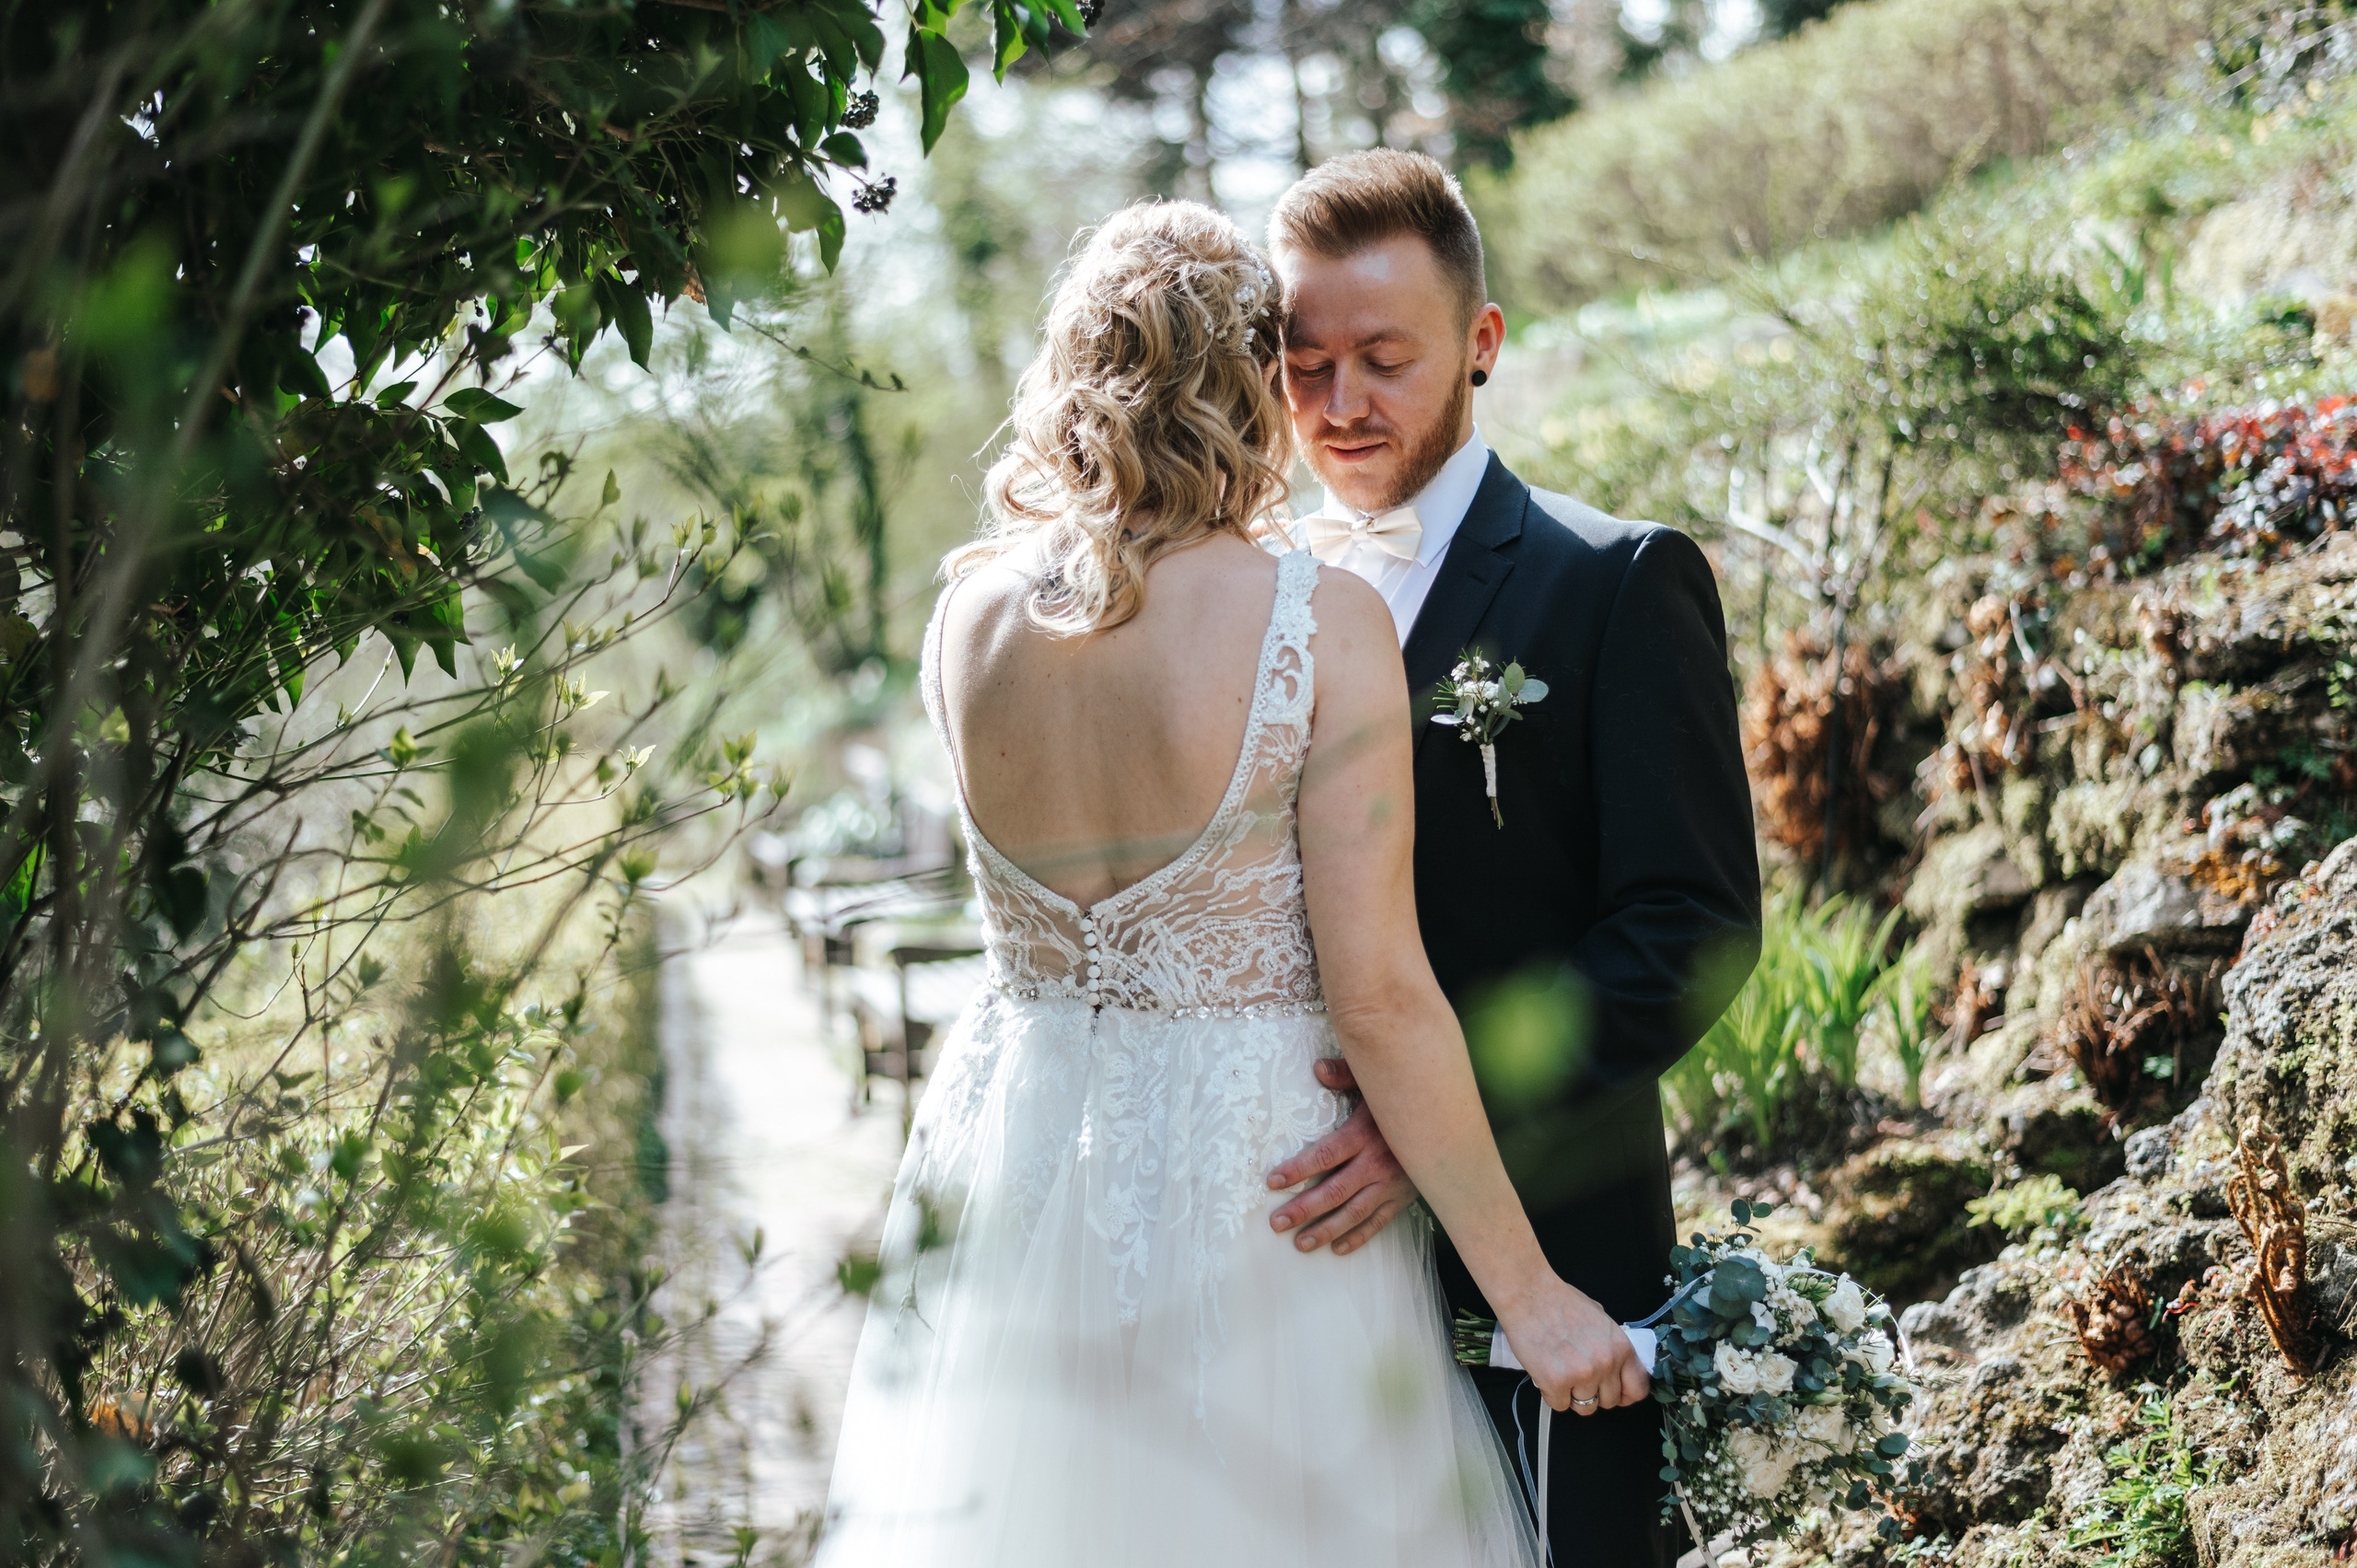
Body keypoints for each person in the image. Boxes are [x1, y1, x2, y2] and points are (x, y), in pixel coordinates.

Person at [817, 200, 1636, 1568]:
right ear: (1250, 379)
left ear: (1073, 373)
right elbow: (1378, 997)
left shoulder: (966, 614)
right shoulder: (1317, 620)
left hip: (1019, 1168)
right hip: (1258, 1193)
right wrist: (1534, 1298)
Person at [1256, 149, 1762, 1568]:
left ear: (1482, 345)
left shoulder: (1613, 580)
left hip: (1550, 1243)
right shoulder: (1250, 601)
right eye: (1303, 366)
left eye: (1381, 357)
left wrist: (1431, 1125)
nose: (1339, 406)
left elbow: (1688, 926)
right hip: (1288, 1241)